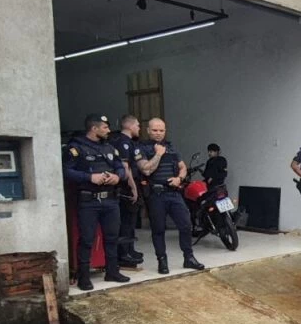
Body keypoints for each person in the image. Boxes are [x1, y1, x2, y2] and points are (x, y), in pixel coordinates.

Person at [63, 114, 131, 291]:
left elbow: (120, 167)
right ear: (94, 129)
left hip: (110, 199)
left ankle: (112, 271)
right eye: (105, 127)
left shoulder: (109, 147)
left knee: (112, 237)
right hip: (88, 201)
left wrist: (117, 177)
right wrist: (89, 177)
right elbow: (67, 171)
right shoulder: (76, 148)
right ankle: (84, 277)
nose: (109, 130)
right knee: (87, 239)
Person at [134, 117, 205, 275]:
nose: (158, 133)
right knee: (158, 229)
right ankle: (162, 260)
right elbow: (146, 170)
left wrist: (179, 178)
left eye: (161, 130)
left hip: (173, 193)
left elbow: (183, 167)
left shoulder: (171, 147)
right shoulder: (141, 148)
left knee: (186, 225)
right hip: (156, 195)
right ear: (148, 130)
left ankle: (189, 257)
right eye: (155, 130)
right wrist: (158, 155)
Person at [110, 114, 143, 268]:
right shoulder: (122, 142)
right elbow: (125, 167)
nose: (139, 128)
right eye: (137, 125)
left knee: (131, 221)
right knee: (126, 221)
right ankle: (124, 254)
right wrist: (133, 187)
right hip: (126, 187)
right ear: (129, 126)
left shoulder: (129, 142)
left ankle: (130, 249)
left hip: (130, 184)